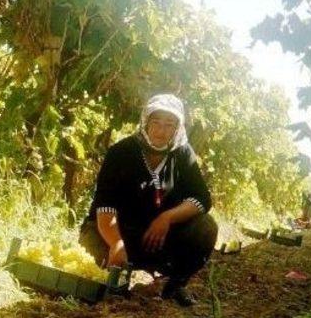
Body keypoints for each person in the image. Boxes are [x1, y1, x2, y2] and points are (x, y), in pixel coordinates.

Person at [79, 94, 217, 306]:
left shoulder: (182, 154)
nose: (161, 130)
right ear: (145, 122)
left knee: (206, 226)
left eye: (169, 125)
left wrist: (167, 218)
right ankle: (116, 278)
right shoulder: (121, 152)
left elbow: (202, 199)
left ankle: (174, 286)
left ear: (177, 128)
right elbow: (104, 204)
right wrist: (116, 242)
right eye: (156, 123)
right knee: (100, 266)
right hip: (116, 232)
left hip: (156, 239)